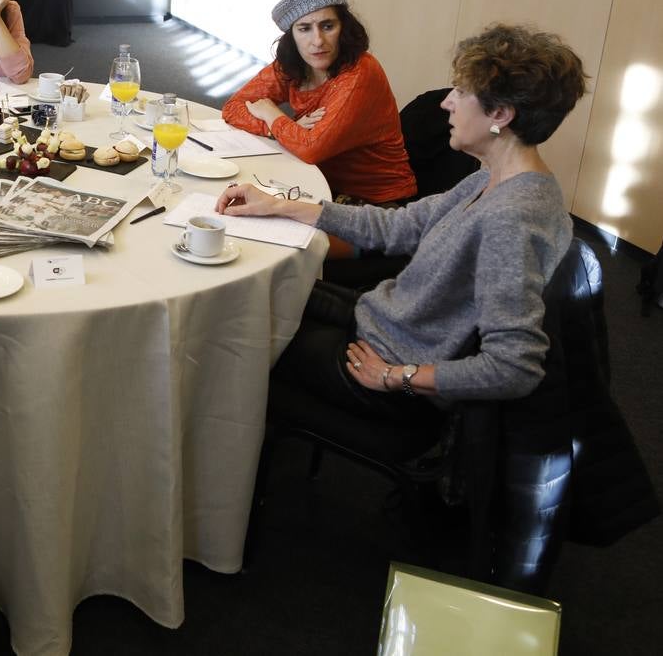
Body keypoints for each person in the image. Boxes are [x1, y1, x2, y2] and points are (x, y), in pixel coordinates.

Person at [217, 24, 588, 421]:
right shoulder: (493, 178)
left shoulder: (511, 220)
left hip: (389, 360)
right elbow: (400, 227)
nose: (447, 103)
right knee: (255, 299)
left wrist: (400, 377)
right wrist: (281, 206)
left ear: (500, 114)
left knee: (233, 336)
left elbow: (515, 367)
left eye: (461, 93)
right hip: (388, 320)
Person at [222, 0, 417, 205]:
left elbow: (310, 148)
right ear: (291, 35)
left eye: (328, 26)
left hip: (375, 204)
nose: (318, 41)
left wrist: (273, 115)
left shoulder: (361, 72)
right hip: (312, 184)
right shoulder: (291, 64)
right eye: (304, 28)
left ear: (343, 27)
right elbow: (232, 109)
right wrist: (282, 129)